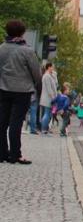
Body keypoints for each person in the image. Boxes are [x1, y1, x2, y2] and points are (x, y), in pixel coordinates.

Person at [0, 20, 41, 164]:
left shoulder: (1, 48)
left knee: (2, 123)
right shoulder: (27, 51)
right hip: (22, 92)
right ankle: (15, 155)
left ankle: (2, 153)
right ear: (22, 33)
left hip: (3, 89)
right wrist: (36, 87)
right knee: (16, 123)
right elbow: (36, 73)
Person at [39, 62, 58, 135]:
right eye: (52, 67)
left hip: (49, 98)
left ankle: (45, 129)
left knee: (48, 114)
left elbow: (55, 84)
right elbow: (49, 89)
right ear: (49, 67)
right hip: (48, 98)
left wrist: (54, 75)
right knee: (47, 114)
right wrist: (54, 98)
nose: (53, 69)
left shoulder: (50, 75)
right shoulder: (46, 76)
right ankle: (43, 129)